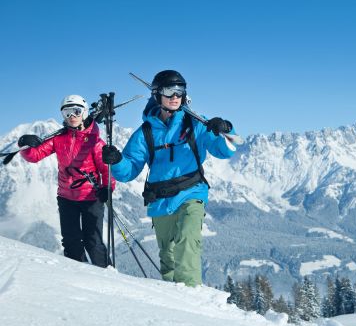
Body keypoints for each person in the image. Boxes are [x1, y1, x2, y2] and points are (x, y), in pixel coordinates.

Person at [102, 70, 237, 287]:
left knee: (187, 239)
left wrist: (224, 129)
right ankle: (174, 302)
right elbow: (128, 171)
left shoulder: (195, 124)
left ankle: (191, 295)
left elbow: (224, 151)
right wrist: (116, 160)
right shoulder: (145, 133)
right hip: (160, 199)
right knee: (168, 256)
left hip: (192, 191)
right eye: (169, 91)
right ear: (157, 95)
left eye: (180, 91)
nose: (175, 96)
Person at [18, 94, 114, 267]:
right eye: (67, 113)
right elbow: (35, 155)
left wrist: (108, 188)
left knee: (93, 241)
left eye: (76, 111)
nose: (72, 116)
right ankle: (78, 278)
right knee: (71, 243)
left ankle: (108, 276)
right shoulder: (59, 138)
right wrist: (25, 146)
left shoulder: (94, 142)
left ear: (84, 113)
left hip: (91, 198)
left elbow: (106, 168)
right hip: (66, 198)